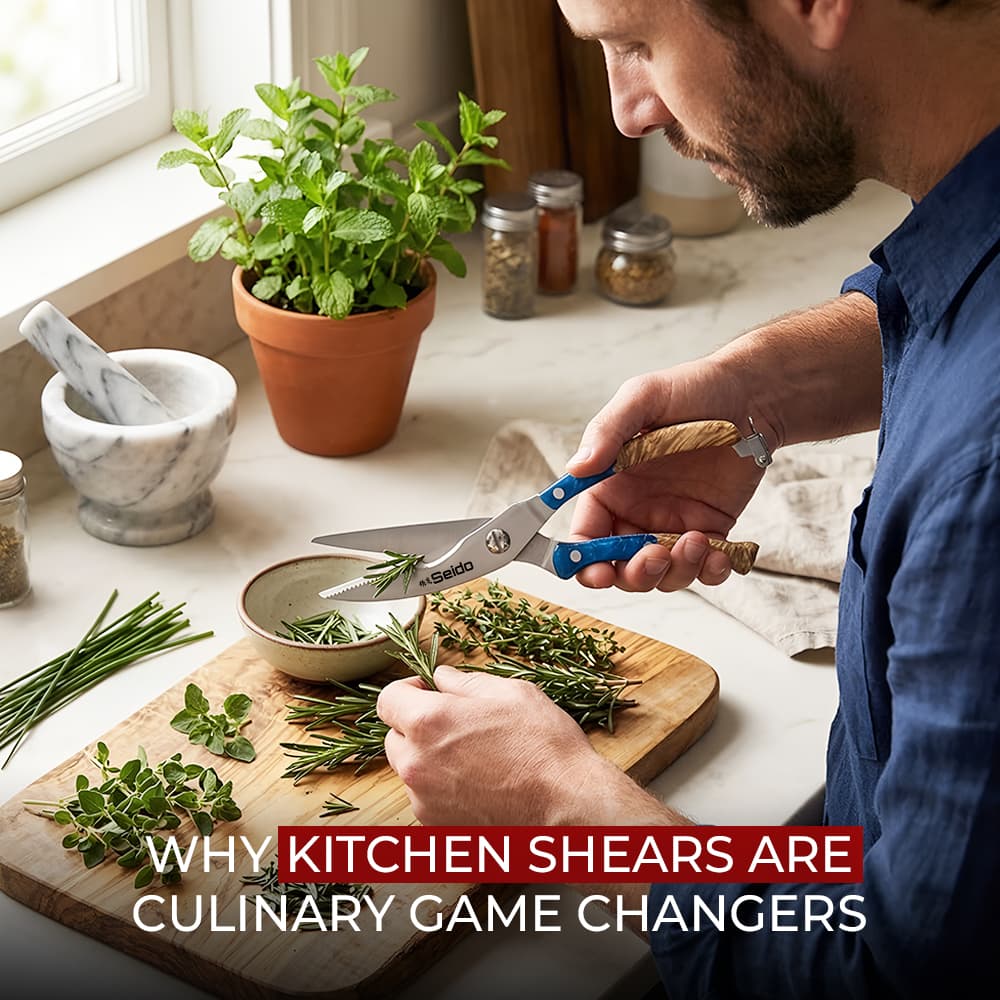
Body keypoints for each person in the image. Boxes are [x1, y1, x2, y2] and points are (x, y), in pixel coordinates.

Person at [376, 0, 1000, 995]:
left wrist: (555, 802)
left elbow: (886, 978)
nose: (627, 110)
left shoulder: (984, 491)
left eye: (635, 43)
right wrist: (760, 391)